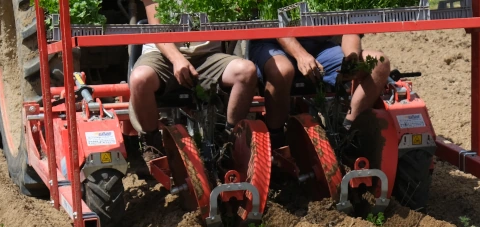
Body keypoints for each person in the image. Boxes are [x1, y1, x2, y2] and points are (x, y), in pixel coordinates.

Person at [128, 0, 258, 170]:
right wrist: (177, 59)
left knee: (246, 71)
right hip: (161, 54)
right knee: (139, 79)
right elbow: (157, 28)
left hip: (207, 56)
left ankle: (228, 141)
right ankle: (152, 143)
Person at [248, 35, 390, 151]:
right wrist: (301, 55)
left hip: (318, 48)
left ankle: (347, 131)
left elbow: (348, 27)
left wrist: (351, 57)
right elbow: (279, 27)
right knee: (282, 71)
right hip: (272, 44)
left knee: (379, 64)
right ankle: (276, 138)